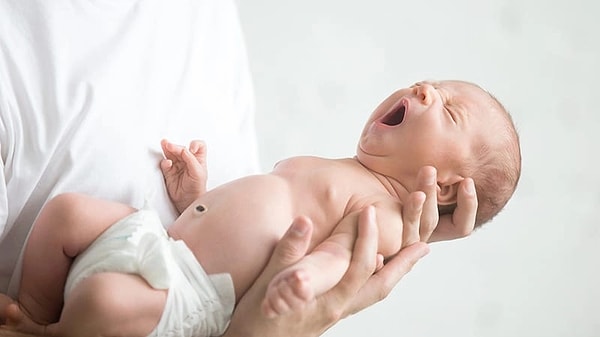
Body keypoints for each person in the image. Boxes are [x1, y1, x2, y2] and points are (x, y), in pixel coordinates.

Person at [0, 0, 479, 336]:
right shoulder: (336, 167)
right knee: (66, 214)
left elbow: (338, 254)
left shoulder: (384, 212)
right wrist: (195, 197)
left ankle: (56, 332)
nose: (424, 89)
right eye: (431, 83)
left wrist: (305, 280)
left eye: (449, 109)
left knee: (102, 304)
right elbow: (245, 211)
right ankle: (31, 315)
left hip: (191, 294)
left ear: (448, 188)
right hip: (160, 240)